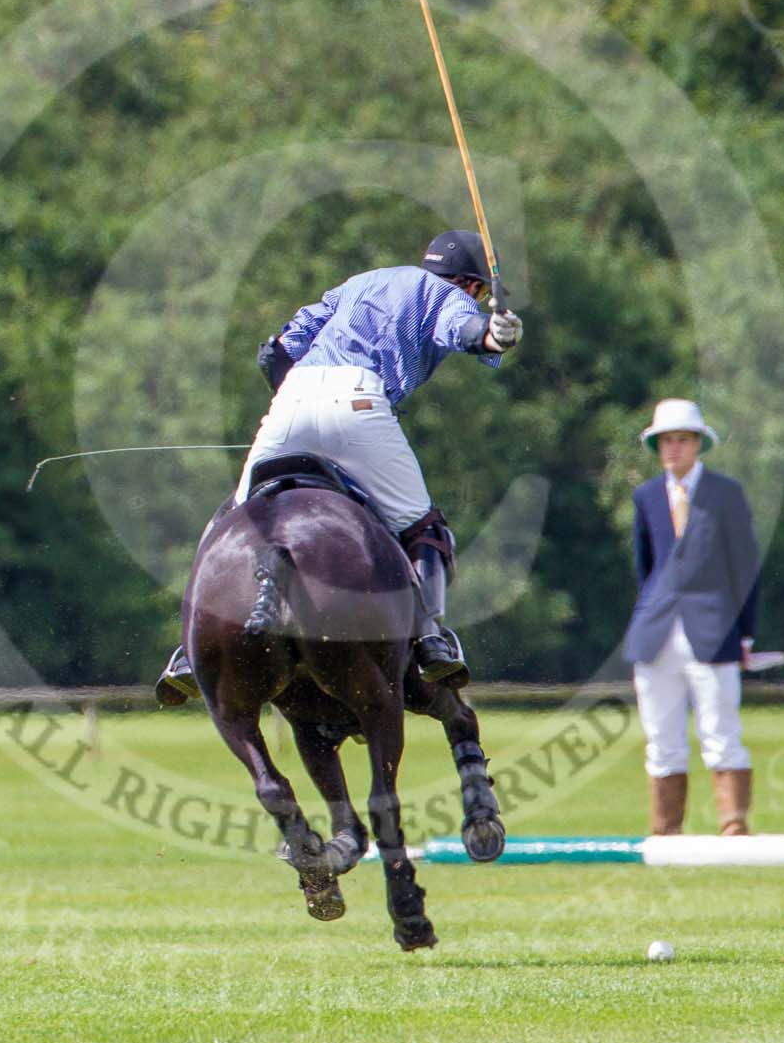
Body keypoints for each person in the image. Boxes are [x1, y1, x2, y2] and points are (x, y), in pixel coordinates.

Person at [155, 231, 524, 706]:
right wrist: (494, 334)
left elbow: (277, 349)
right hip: (360, 403)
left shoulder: (359, 283)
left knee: (235, 519)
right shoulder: (448, 295)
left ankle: (187, 649)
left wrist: (299, 401)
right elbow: (465, 330)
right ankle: (432, 636)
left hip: (290, 401)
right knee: (424, 525)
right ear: (474, 286)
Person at [623, 398, 760, 836]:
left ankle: (732, 824)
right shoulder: (646, 497)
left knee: (721, 732)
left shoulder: (725, 494)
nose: (674, 449)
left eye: (682, 440)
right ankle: (666, 831)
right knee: (661, 737)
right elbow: (645, 567)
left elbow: (745, 568)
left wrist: (747, 634)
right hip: (656, 633)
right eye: (667, 441)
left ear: (698, 443)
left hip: (714, 628)